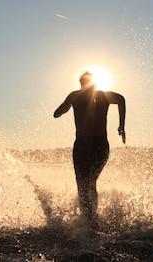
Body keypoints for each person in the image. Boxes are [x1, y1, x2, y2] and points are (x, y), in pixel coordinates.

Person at [53, 71, 126, 227]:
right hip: (96, 145)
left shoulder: (76, 96)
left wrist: (64, 108)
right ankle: (91, 219)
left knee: (85, 182)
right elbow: (120, 99)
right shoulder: (100, 96)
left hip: (87, 145)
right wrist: (121, 125)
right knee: (88, 182)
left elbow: (57, 113)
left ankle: (90, 219)